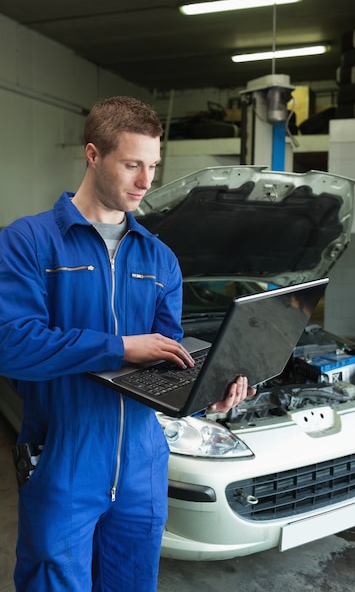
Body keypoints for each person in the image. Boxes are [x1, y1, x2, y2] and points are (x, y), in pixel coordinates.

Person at [0, 96, 255, 592]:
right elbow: (12, 344)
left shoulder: (160, 258)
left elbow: (168, 362)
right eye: (132, 164)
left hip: (144, 462)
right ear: (93, 155)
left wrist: (206, 391)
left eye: (154, 167)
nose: (146, 183)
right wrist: (120, 347)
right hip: (64, 455)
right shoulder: (28, 242)